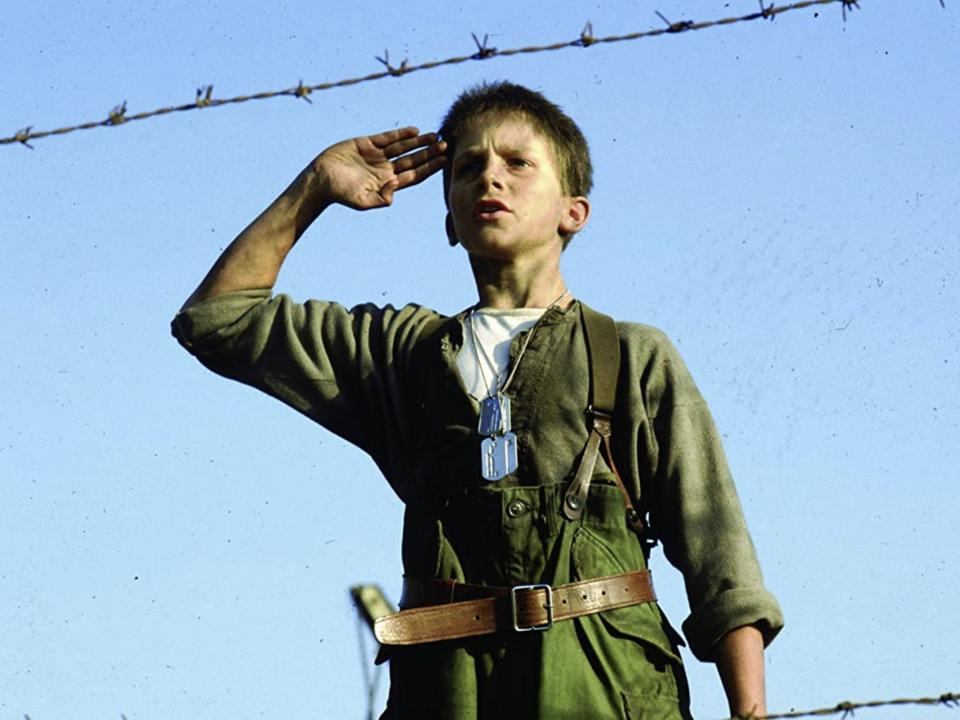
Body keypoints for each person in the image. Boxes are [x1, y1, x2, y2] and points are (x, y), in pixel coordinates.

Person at [172, 81, 783, 719]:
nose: (491, 177)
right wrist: (314, 188)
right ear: (449, 220)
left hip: (605, 685)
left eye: (518, 162)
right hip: (447, 693)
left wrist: (750, 711)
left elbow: (719, 554)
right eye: (468, 167)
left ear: (573, 211)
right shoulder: (401, 354)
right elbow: (217, 320)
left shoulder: (629, 354)